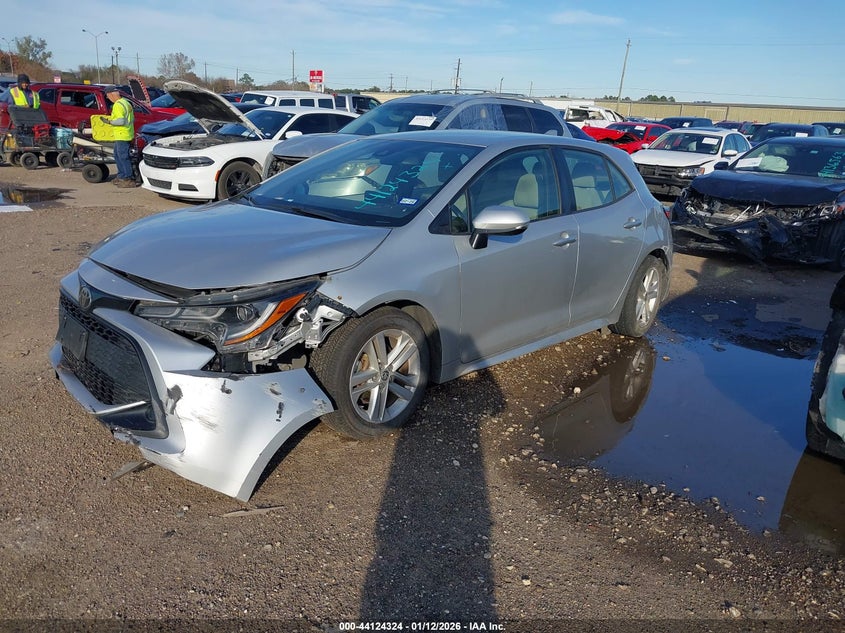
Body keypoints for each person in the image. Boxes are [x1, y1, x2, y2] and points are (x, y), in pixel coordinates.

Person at [100, 86, 136, 187]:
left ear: (111, 94)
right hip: (125, 133)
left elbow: (121, 121)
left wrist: (109, 121)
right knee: (117, 155)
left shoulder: (118, 105)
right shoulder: (126, 103)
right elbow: (132, 119)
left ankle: (128, 178)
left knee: (123, 157)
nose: (108, 98)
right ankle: (121, 176)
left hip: (122, 134)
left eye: (107, 96)